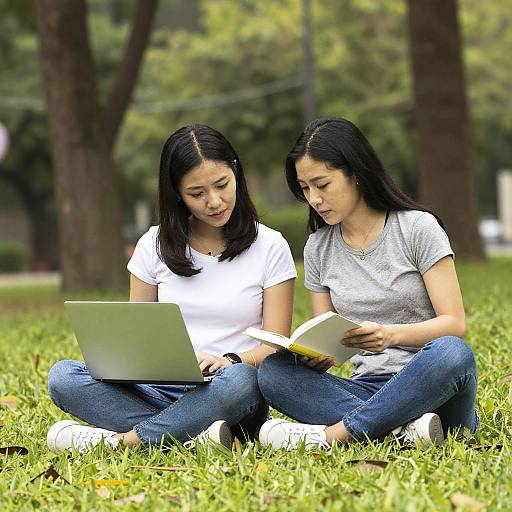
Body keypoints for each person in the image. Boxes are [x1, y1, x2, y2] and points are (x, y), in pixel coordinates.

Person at [46, 124, 296, 453]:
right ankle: (194, 436)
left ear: (236, 172)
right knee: (63, 377)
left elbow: (276, 346)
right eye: (197, 193)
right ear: (177, 193)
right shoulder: (152, 245)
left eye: (222, 184)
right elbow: (136, 338)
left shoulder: (270, 246)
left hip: (229, 387)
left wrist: (232, 359)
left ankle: (125, 442)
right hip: (159, 388)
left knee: (241, 383)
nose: (215, 201)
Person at [257, 118, 478, 450]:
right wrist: (317, 356)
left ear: (355, 173)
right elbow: (328, 337)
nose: (314, 198)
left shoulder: (418, 228)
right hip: (365, 388)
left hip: (433, 386)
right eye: (305, 188)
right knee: (273, 372)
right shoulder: (318, 247)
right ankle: (402, 431)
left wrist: (390, 335)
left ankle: (334, 436)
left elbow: (454, 323)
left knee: (452, 353)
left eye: (322, 184)